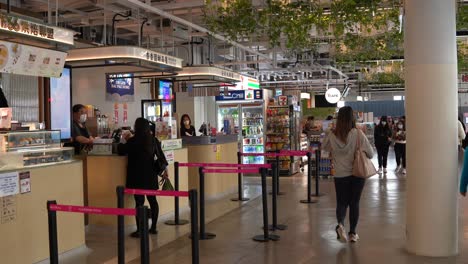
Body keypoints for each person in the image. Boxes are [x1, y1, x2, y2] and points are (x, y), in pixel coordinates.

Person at [322, 106, 374, 243]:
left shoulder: (333, 134)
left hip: (340, 174)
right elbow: (371, 154)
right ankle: (352, 234)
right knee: (354, 203)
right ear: (353, 118)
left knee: (341, 202)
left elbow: (325, 148)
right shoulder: (358, 134)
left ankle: (340, 225)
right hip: (357, 173)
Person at [118, 118, 169, 237]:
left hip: (136, 176)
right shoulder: (153, 140)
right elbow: (161, 156)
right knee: (153, 201)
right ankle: (154, 227)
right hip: (150, 174)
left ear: (136, 128)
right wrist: (165, 170)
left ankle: (140, 230)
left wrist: (123, 140)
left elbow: (121, 150)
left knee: (139, 203)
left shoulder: (132, 141)